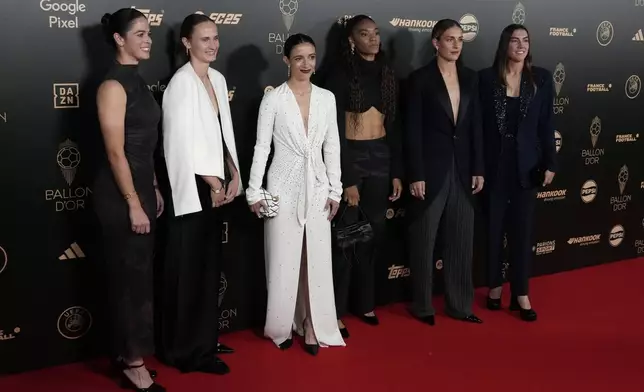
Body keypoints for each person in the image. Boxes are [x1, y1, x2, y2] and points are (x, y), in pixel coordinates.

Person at [246, 33, 345, 356]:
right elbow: (261, 147)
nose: (306, 64)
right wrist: (253, 191)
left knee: (315, 259)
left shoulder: (327, 98)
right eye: (299, 58)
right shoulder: (273, 99)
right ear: (286, 60)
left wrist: (336, 190)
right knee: (283, 259)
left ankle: (314, 326)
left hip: (317, 187)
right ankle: (280, 326)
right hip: (281, 187)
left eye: (311, 57)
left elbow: (332, 147)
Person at [159, 13, 242, 375]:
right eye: (204, 39)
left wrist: (233, 174)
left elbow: (222, 135)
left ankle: (204, 342)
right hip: (192, 189)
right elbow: (179, 144)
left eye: (216, 38)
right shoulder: (180, 83)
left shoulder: (218, 79)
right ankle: (185, 351)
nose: (212, 45)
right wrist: (213, 183)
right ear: (186, 43)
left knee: (208, 270)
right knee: (188, 272)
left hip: (217, 185)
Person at [94, 8, 165, 392]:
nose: (148, 39)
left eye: (149, 32)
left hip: (140, 188)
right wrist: (133, 202)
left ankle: (127, 354)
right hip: (119, 196)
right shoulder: (112, 87)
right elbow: (116, 152)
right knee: (129, 280)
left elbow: (146, 147)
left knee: (137, 277)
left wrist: (152, 186)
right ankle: (134, 364)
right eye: (139, 33)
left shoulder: (138, 81)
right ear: (120, 39)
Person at [321, 15, 403, 338]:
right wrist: (348, 179)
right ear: (352, 40)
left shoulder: (388, 74)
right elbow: (334, 134)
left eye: (376, 33)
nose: (373, 39)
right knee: (346, 237)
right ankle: (337, 310)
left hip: (381, 158)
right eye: (364, 34)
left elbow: (394, 126)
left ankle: (365, 302)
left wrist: (397, 172)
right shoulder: (338, 75)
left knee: (372, 236)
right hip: (350, 158)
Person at [404, 19, 484, 326]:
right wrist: (416, 174)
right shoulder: (420, 79)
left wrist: (478, 167)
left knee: (462, 239)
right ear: (436, 42)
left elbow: (475, 125)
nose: (456, 44)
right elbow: (412, 130)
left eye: (460, 39)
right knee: (424, 239)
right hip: (430, 170)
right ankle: (423, 306)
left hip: (463, 169)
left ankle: (460, 305)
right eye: (449, 39)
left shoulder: (471, 78)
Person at [479, 24, 556, 322]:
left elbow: (546, 124)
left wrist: (551, 162)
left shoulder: (541, 79)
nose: (521, 45)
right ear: (504, 45)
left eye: (525, 40)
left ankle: (520, 293)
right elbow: (478, 127)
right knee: (494, 231)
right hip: (494, 167)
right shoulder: (486, 79)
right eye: (514, 41)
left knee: (522, 233)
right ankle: (495, 288)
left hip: (527, 167)